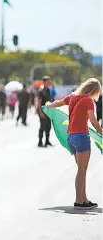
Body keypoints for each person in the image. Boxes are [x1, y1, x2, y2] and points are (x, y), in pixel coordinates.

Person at [46, 77, 102, 210]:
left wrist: (48, 105)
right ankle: (79, 201)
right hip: (81, 136)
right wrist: (101, 132)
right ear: (94, 90)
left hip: (70, 136)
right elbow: (93, 121)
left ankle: (84, 199)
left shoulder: (72, 97)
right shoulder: (88, 101)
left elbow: (57, 103)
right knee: (82, 170)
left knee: (81, 170)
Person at [37, 76, 53, 147]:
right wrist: (40, 112)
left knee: (48, 126)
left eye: (49, 82)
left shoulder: (48, 90)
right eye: (48, 82)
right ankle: (40, 141)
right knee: (42, 126)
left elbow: (50, 101)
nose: (49, 83)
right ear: (44, 82)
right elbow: (39, 103)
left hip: (48, 111)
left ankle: (47, 141)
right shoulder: (41, 91)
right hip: (42, 111)